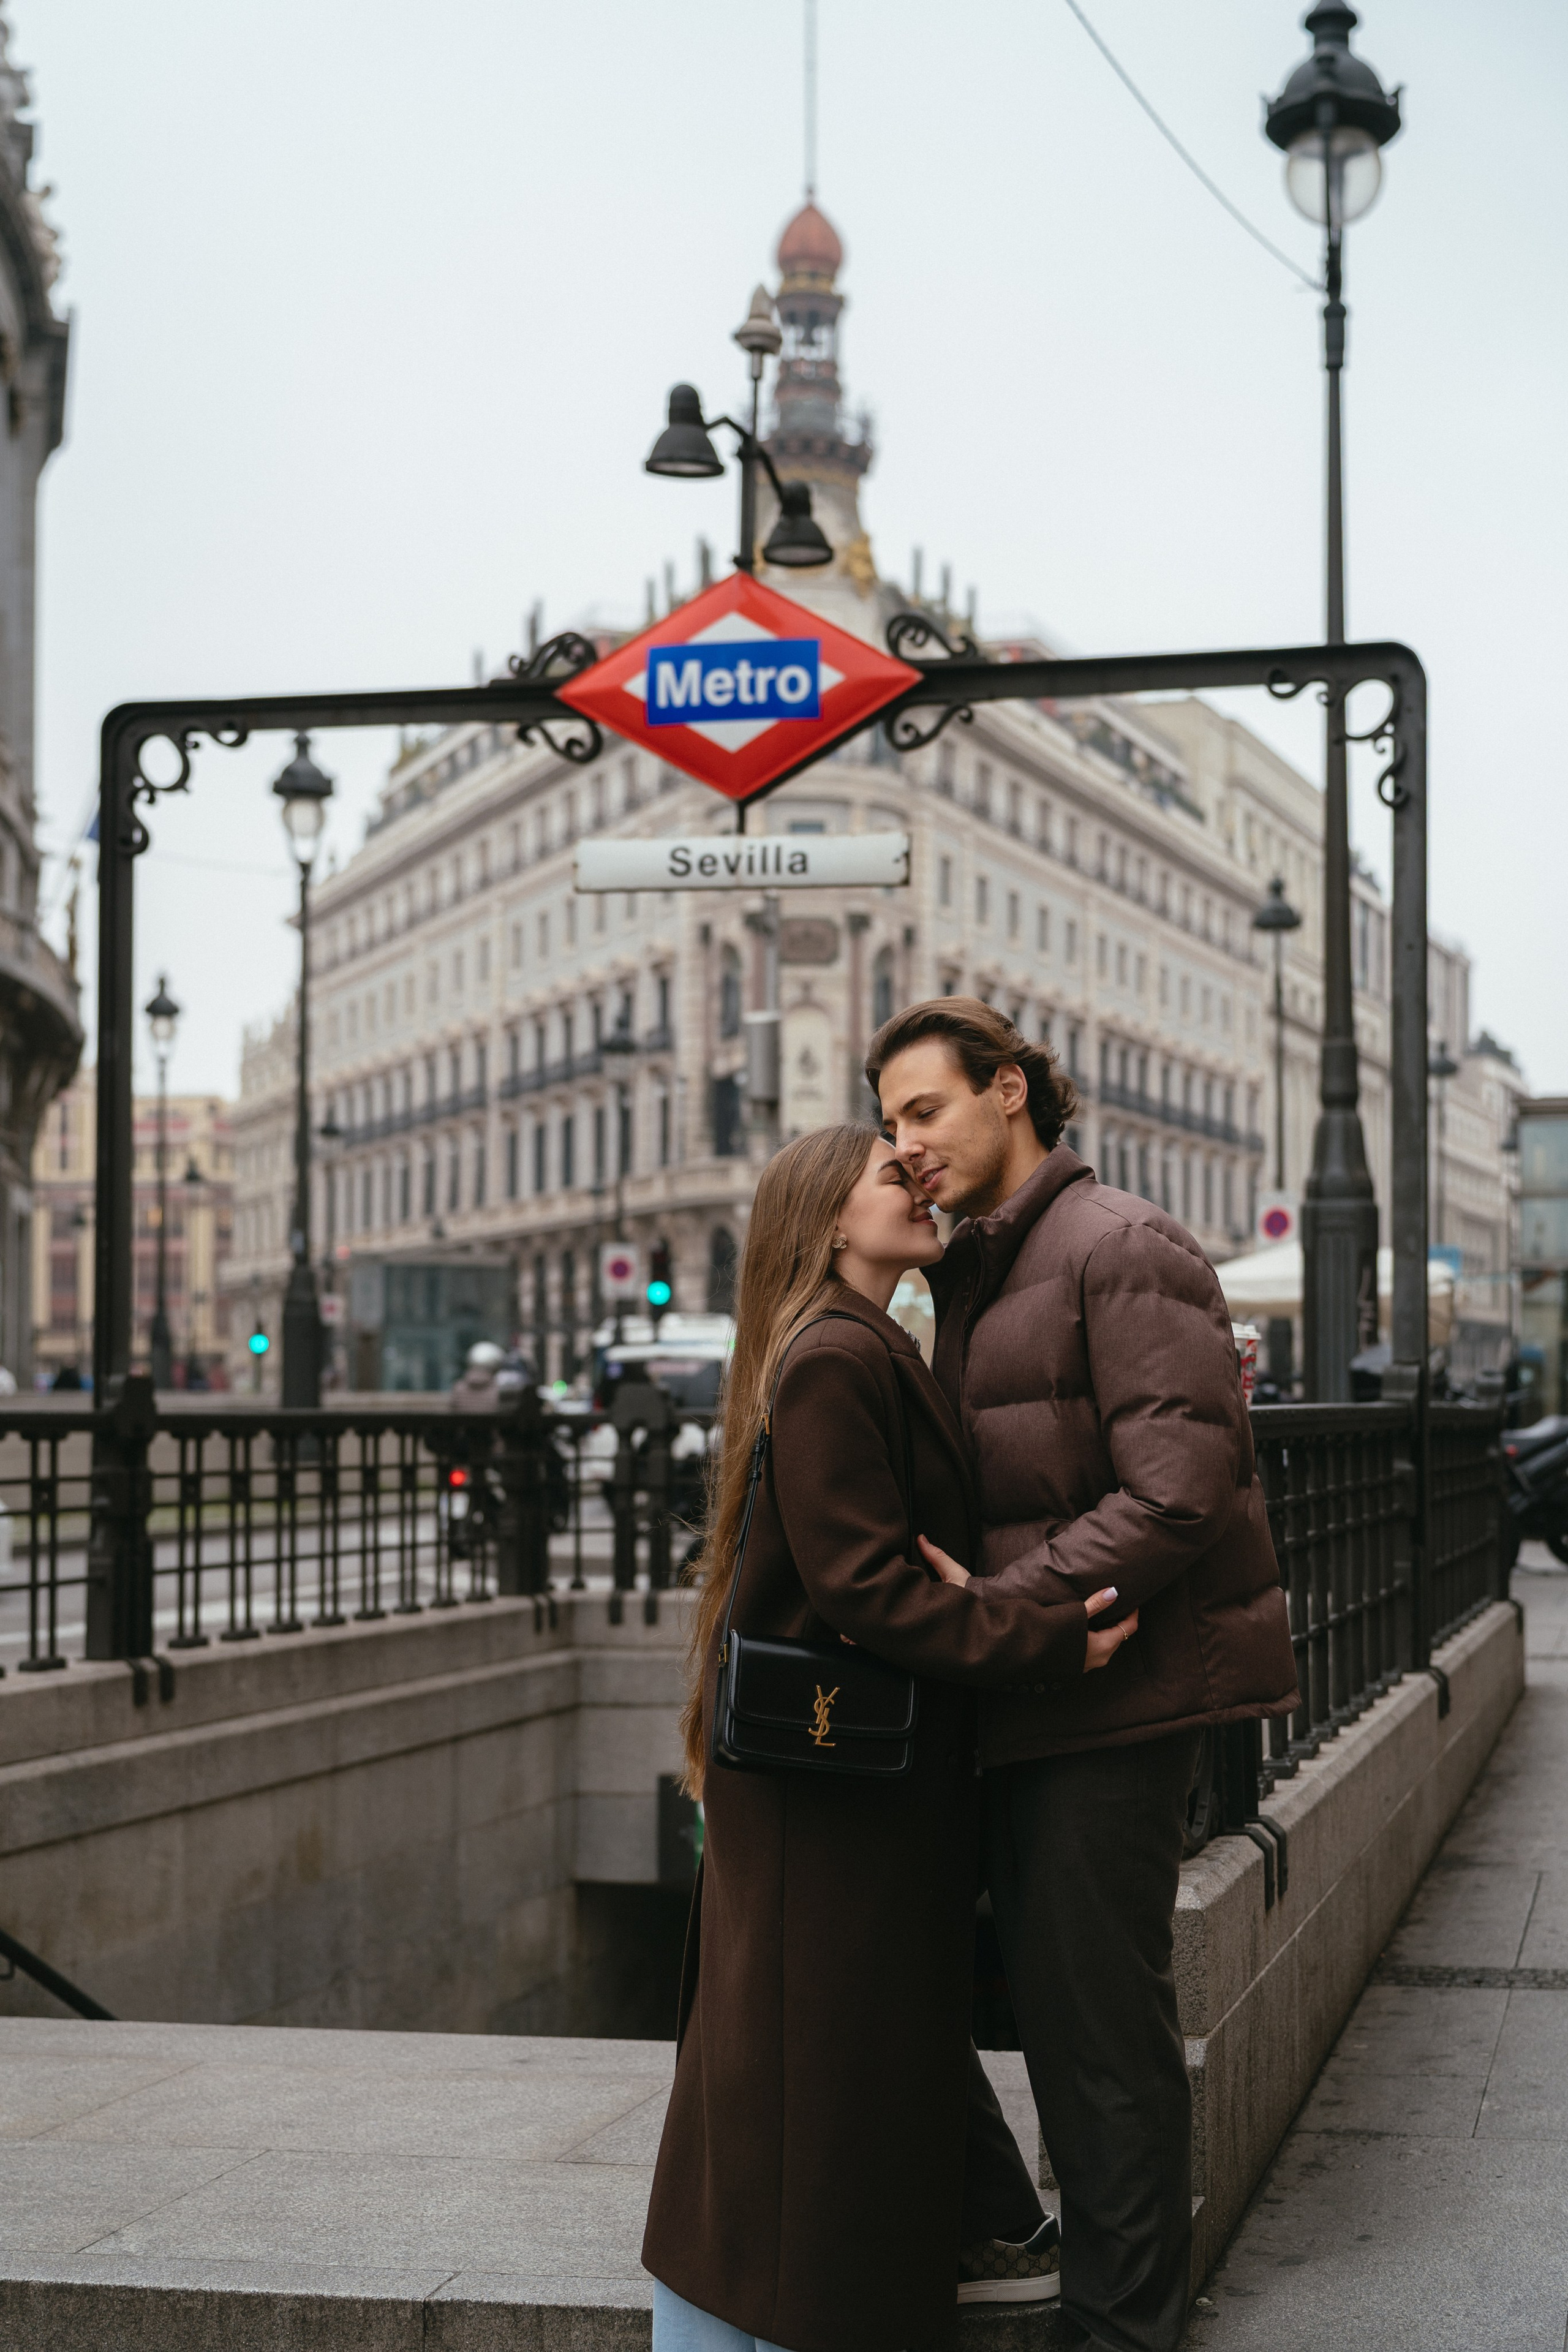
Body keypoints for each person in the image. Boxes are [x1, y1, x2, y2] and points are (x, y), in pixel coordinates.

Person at [642, 1122, 1136, 2352]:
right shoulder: (834, 1362)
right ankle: (783, 2301)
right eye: (887, 1171)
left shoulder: (857, 1348)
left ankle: (886, 2261)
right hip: (828, 1791)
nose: (917, 1178)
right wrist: (1034, 1636)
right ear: (826, 1222)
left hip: (838, 1781)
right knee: (808, 2067)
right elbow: (865, 1586)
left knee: (824, 2058)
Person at [867, 998, 1300, 2352]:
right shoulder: (983, 1265)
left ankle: (1120, 2331)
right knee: (973, 2002)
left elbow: (1177, 1492)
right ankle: (1042, 2256)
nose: (904, 1146)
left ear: (1009, 1092)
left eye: (923, 1111)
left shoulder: (1116, 1246)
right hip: (1024, 1693)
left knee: (1094, 2036)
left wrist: (998, 1610)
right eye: (887, 1124)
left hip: (1109, 1698)